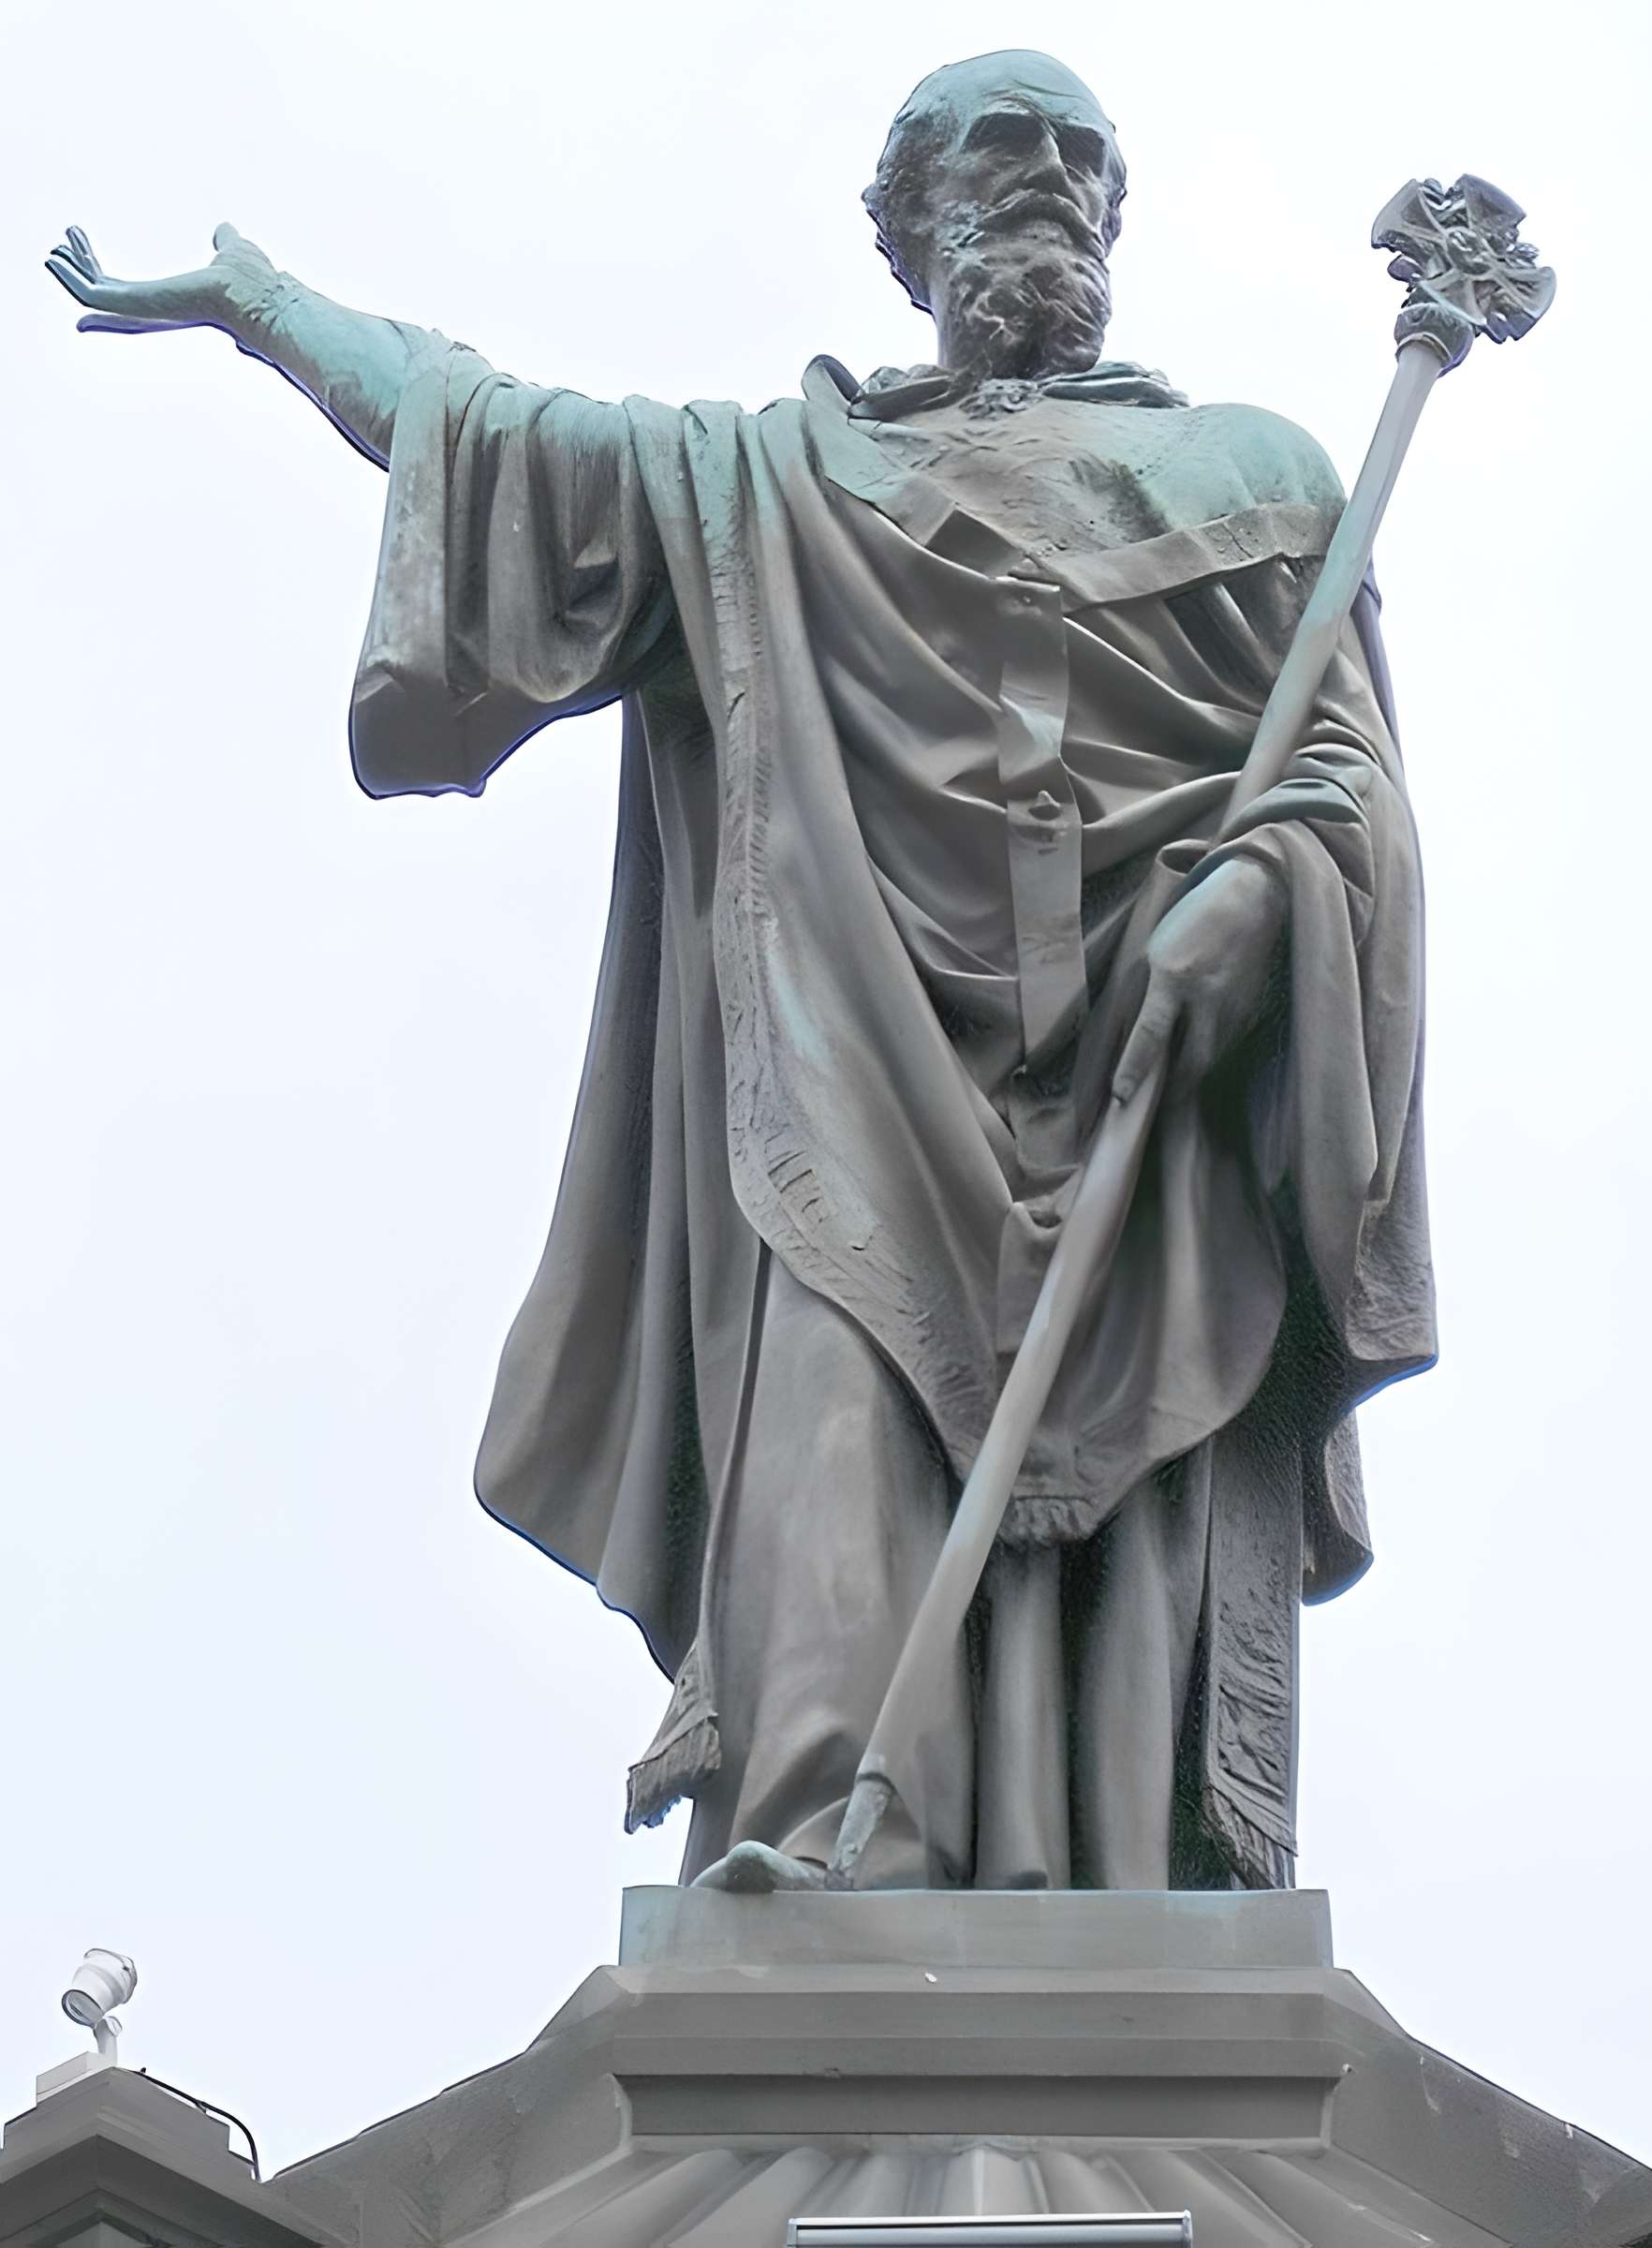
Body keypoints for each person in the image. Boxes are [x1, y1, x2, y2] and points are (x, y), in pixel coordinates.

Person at [46, 50, 1434, 1893]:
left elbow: (1343, 769)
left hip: (1151, 1071)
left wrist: (1269, 893)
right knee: (830, 1423)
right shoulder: (773, 482)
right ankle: (832, 1854)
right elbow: (504, 445)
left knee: (1136, 1494)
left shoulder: (1260, 474)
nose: (1045, 177)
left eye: (1080, 155)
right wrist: (271, 310)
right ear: (909, 221)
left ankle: (1108, 1891)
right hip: (850, 1055)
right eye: (998, 145)